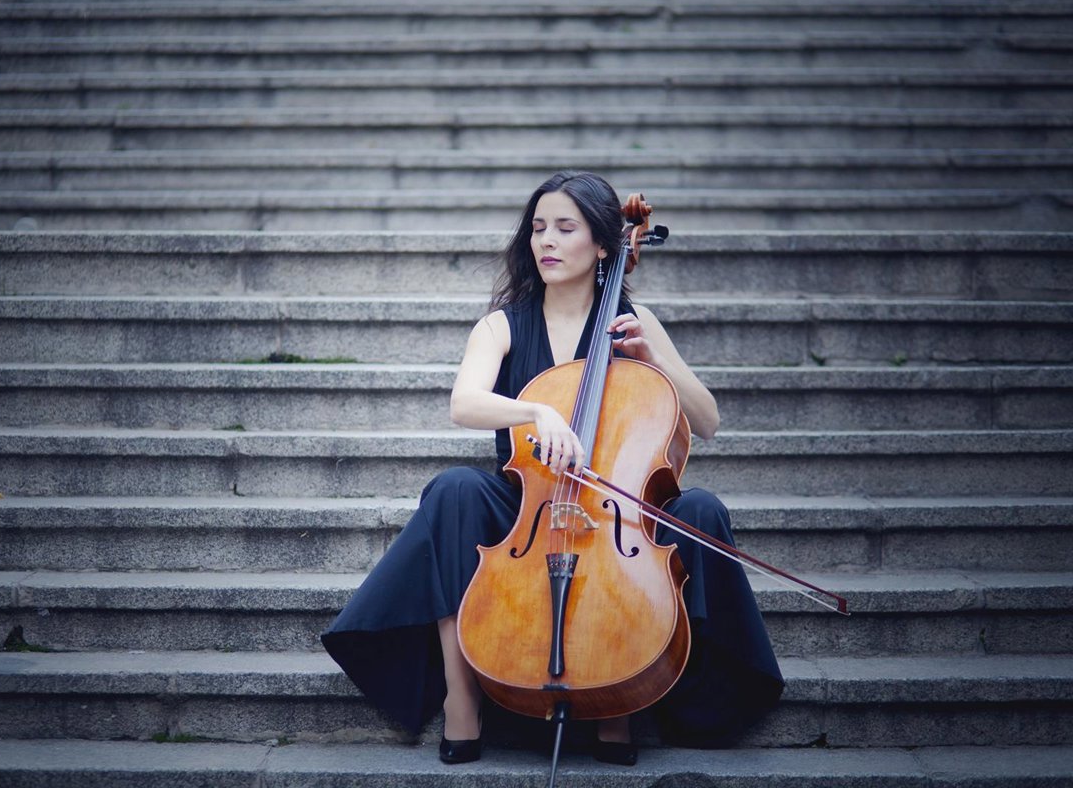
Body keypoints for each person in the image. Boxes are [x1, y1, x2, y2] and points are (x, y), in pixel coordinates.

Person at [321, 171, 783, 766]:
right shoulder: (503, 324)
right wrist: (537, 411)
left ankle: (626, 693)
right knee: (454, 490)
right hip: (528, 511)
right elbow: (464, 403)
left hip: (616, 516)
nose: (547, 241)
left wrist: (653, 359)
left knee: (700, 509)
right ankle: (463, 698)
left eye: (566, 228)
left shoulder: (635, 323)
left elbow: (709, 421)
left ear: (604, 246)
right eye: (539, 228)